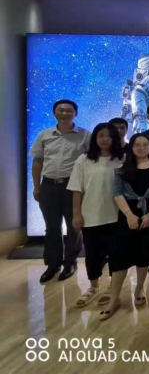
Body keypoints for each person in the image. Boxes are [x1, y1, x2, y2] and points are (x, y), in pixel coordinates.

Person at [30, 99, 90, 283]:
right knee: (52, 227)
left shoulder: (85, 135)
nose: (64, 113)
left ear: (75, 114)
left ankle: (70, 263)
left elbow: (91, 162)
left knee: (74, 227)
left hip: (73, 187)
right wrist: (37, 186)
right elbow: (37, 161)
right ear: (54, 112)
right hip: (49, 186)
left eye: (69, 110)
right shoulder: (45, 135)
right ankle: (53, 264)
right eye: (61, 110)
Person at [105, 133, 149, 321]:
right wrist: (129, 215)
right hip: (127, 216)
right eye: (138, 144)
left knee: (143, 255)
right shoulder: (121, 169)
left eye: (145, 144)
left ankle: (139, 289)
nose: (142, 148)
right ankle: (114, 298)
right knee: (120, 255)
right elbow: (117, 193)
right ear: (132, 147)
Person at [68, 123, 124, 308]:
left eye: (109, 136)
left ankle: (113, 288)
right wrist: (76, 214)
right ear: (95, 138)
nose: (105, 139)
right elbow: (77, 189)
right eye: (101, 135)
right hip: (91, 215)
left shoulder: (122, 158)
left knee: (116, 253)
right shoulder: (84, 160)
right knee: (92, 253)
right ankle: (93, 286)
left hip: (116, 216)